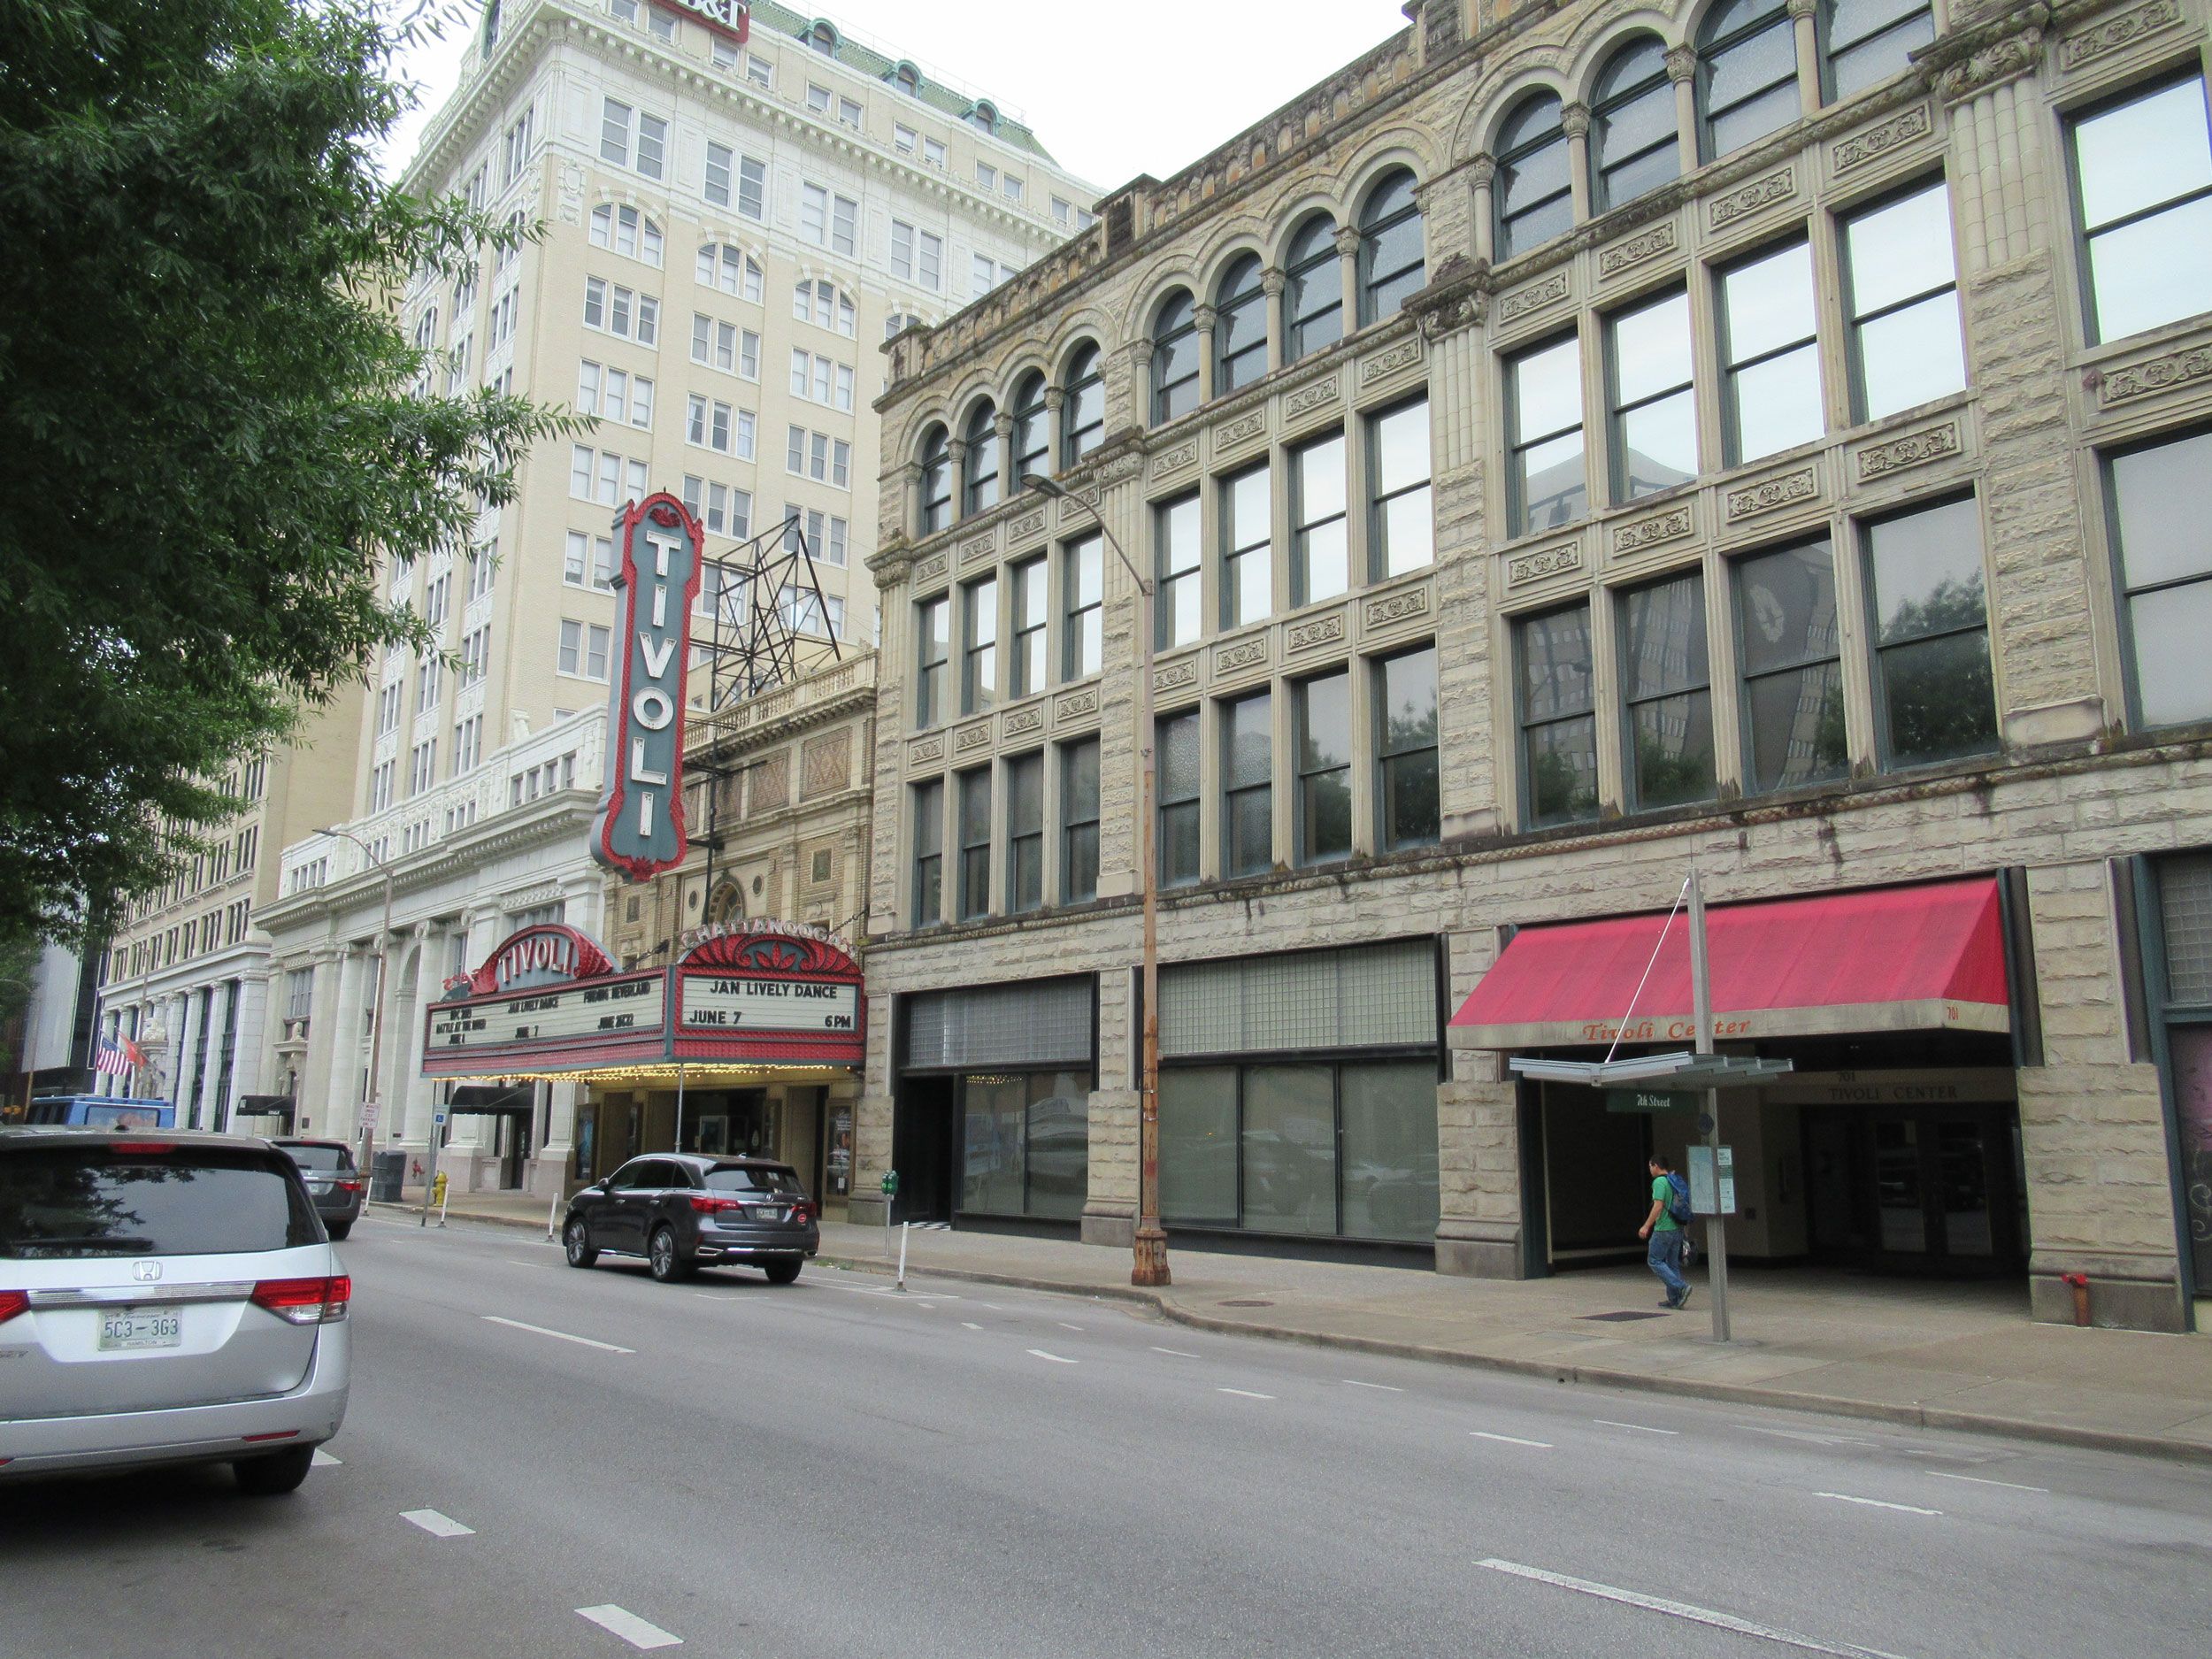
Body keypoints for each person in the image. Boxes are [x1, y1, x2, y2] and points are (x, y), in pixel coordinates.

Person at [1639, 1152, 1692, 1310]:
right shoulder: (1672, 1180)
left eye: (1650, 1166)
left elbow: (1658, 1206)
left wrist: (1646, 1226)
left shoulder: (1659, 1182)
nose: (1650, 1169)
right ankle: (1675, 1300)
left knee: (1654, 1260)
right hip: (1677, 1228)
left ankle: (1681, 1286)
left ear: (1655, 1166)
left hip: (1664, 1229)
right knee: (1672, 1264)